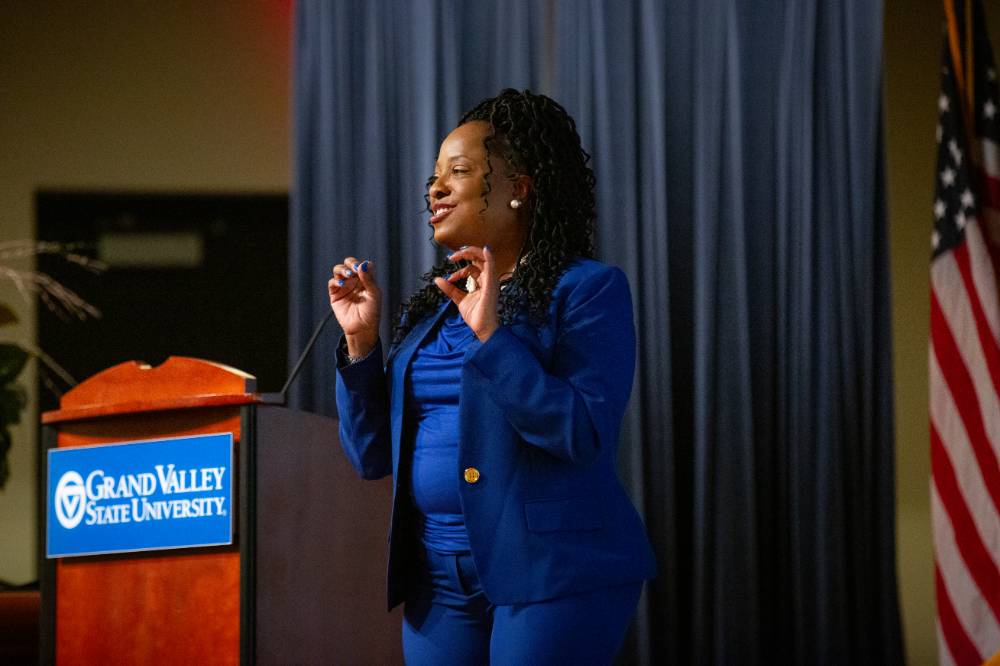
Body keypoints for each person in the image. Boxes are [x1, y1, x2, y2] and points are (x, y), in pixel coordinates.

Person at [328, 89, 656, 664]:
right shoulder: (430, 310)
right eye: (435, 176)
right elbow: (371, 455)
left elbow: (578, 431)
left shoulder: (586, 291)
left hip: (552, 571)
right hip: (438, 582)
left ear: (518, 189)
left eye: (458, 172)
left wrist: (493, 338)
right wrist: (360, 345)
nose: (435, 189)